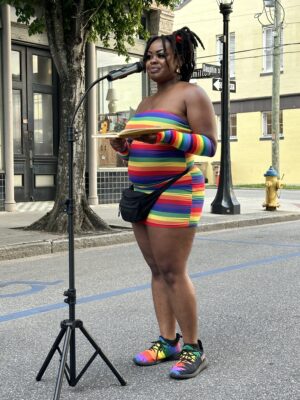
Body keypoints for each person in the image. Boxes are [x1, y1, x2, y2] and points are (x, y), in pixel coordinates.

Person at [110, 26, 217, 380]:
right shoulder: (145, 102)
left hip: (176, 189)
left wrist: (166, 136)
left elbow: (208, 146)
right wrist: (127, 148)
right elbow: (145, 146)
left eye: (161, 55)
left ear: (179, 59)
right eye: (149, 55)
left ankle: (193, 348)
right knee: (156, 270)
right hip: (142, 194)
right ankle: (167, 341)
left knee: (173, 271)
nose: (152, 60)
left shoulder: (191, 94)